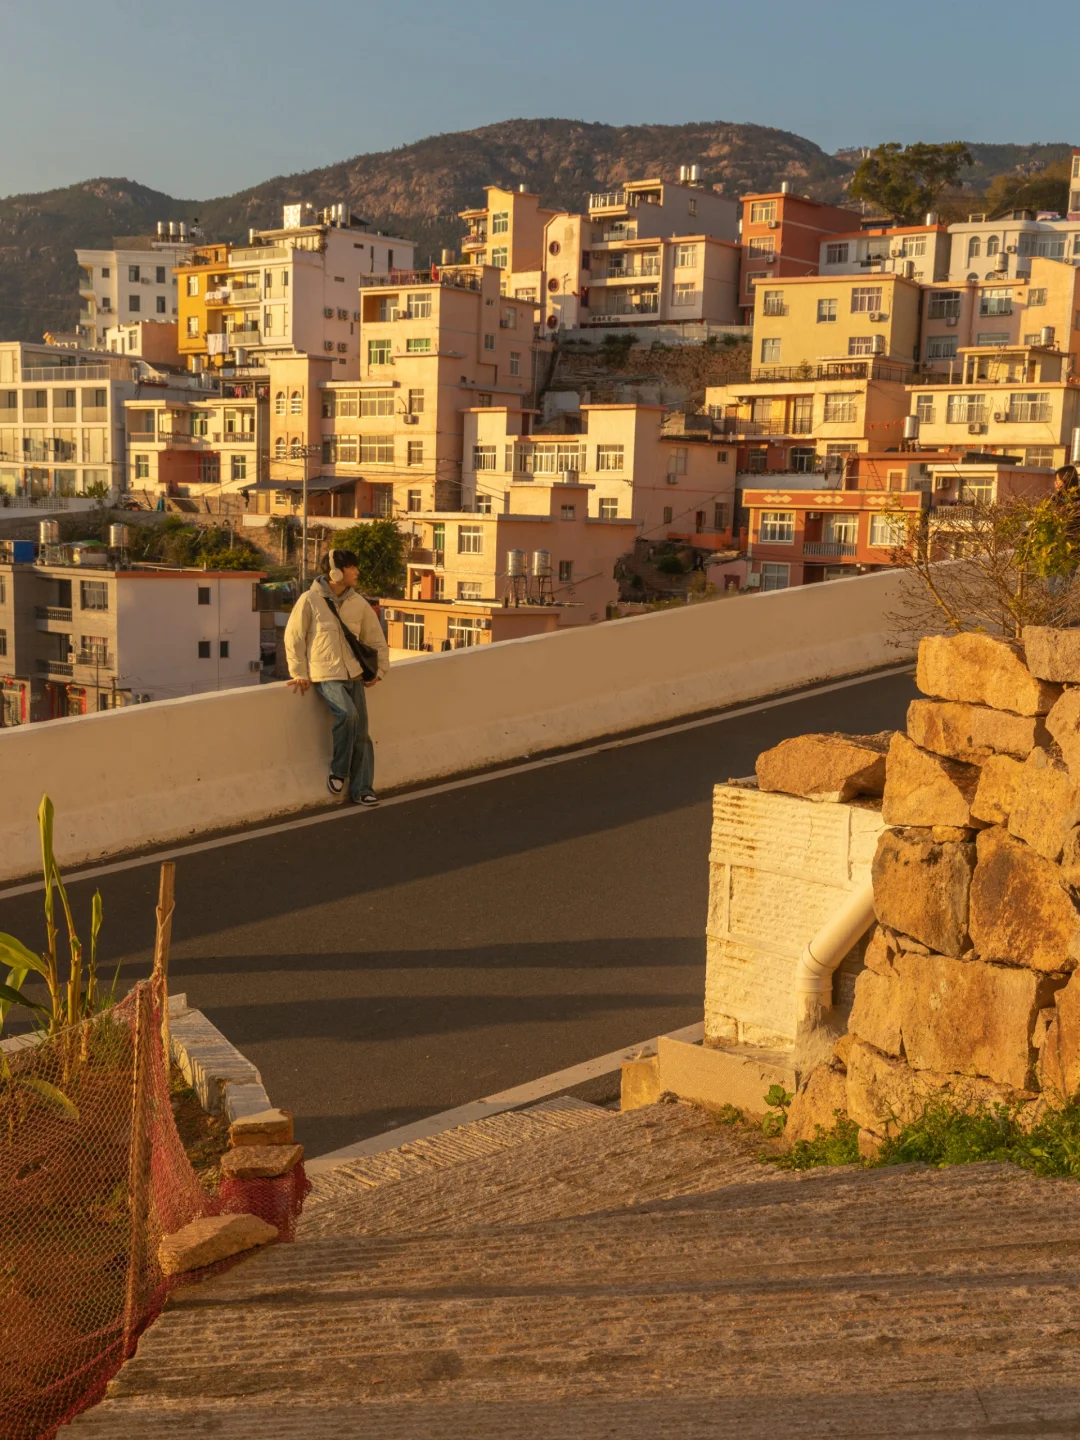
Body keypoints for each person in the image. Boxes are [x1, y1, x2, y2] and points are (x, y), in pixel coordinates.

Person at [284, 548, 389, 805]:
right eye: (352, 567)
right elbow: (294, 637)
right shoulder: (310, 600)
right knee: (348, 715)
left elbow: (376, 639)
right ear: (335, 571)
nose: (357, 572)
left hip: (354, 674)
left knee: (362, 733)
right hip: (325, 674)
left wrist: (381, 671)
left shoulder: (359, 603)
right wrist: (298, 672)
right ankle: (339, 770)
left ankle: (363, 788)